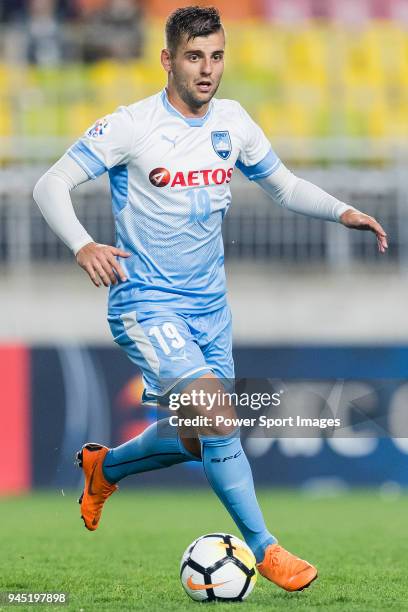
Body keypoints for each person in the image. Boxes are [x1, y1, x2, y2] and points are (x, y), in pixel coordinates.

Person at [33, 5, 387, 594]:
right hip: (146, 303)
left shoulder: (234, 122)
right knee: (220, 419)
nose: (207, 70)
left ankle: (105, 467)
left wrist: (341, 210)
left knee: (198, 439)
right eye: (195, 57)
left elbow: (283, 185)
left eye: (217, 56)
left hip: (210, 311)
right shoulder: (132, 125)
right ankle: (266, 549)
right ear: (167, 59)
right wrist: (82, 244)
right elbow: (50, 184)